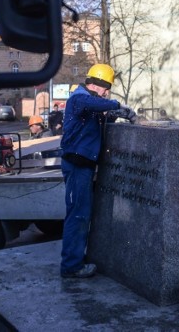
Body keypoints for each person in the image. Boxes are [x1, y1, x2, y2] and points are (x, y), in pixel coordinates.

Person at [60, 64, 137, 279]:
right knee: (78, 215)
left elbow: (98, 121)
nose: (107, 92)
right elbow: (93, 104)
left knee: (81, 214)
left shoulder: (89, 106)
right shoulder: (79, 98)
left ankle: (74, 259)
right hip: (77, 165)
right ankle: (71, 266)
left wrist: (117, 115)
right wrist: (118, 105)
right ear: (96, 84)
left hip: (83, 165)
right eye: (106, 88)